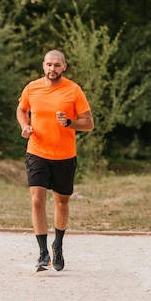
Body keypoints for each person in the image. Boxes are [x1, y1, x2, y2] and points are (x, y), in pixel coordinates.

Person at [16, 49, 94, 272]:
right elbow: (21, 109)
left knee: (62, 202)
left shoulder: (73, 90)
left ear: (64, 67)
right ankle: (43, 254)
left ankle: (57, 245)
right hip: (37, 151)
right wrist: (25, 126)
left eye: (57, 65)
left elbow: (89, 123)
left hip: (64, 155)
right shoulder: (32, 88)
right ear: (43, 66)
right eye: (49, 65)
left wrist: (70, 123)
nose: (53, 69)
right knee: (37, 200)